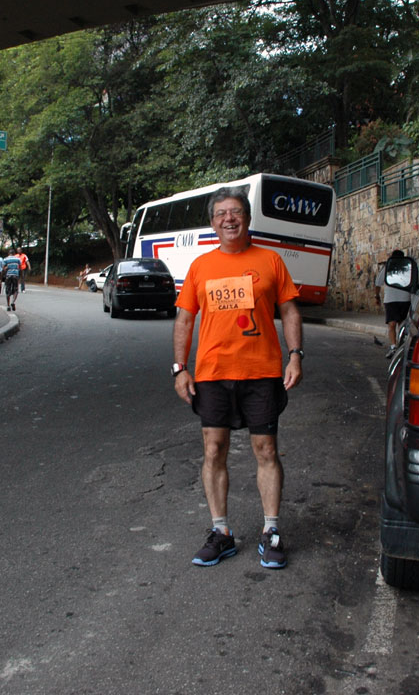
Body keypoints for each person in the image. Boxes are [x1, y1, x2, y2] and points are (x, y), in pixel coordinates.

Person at [172, 186, 303, 570]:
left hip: (261, 372)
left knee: (266, 451)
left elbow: (290, 311)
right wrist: (180, 368)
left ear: (247, 218)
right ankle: (221, 533)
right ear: (213, 223)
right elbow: (184, 320)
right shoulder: (200, 267)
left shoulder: (271, 261)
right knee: (213, 451)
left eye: (236, 212)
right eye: (221, 214)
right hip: (213, 374)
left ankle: (272, 531)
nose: (229, 218)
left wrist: (295, 355)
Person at [375, 249, 411, 353]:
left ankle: (399, 345)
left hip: (403, 298)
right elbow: (378, 282)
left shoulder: (407, 268)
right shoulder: (387, 268)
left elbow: (377, 283)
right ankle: (394, 345)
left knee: (398, 324)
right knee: (393, 323)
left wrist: (377, 297)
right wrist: (376, 296)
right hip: (392, 299)